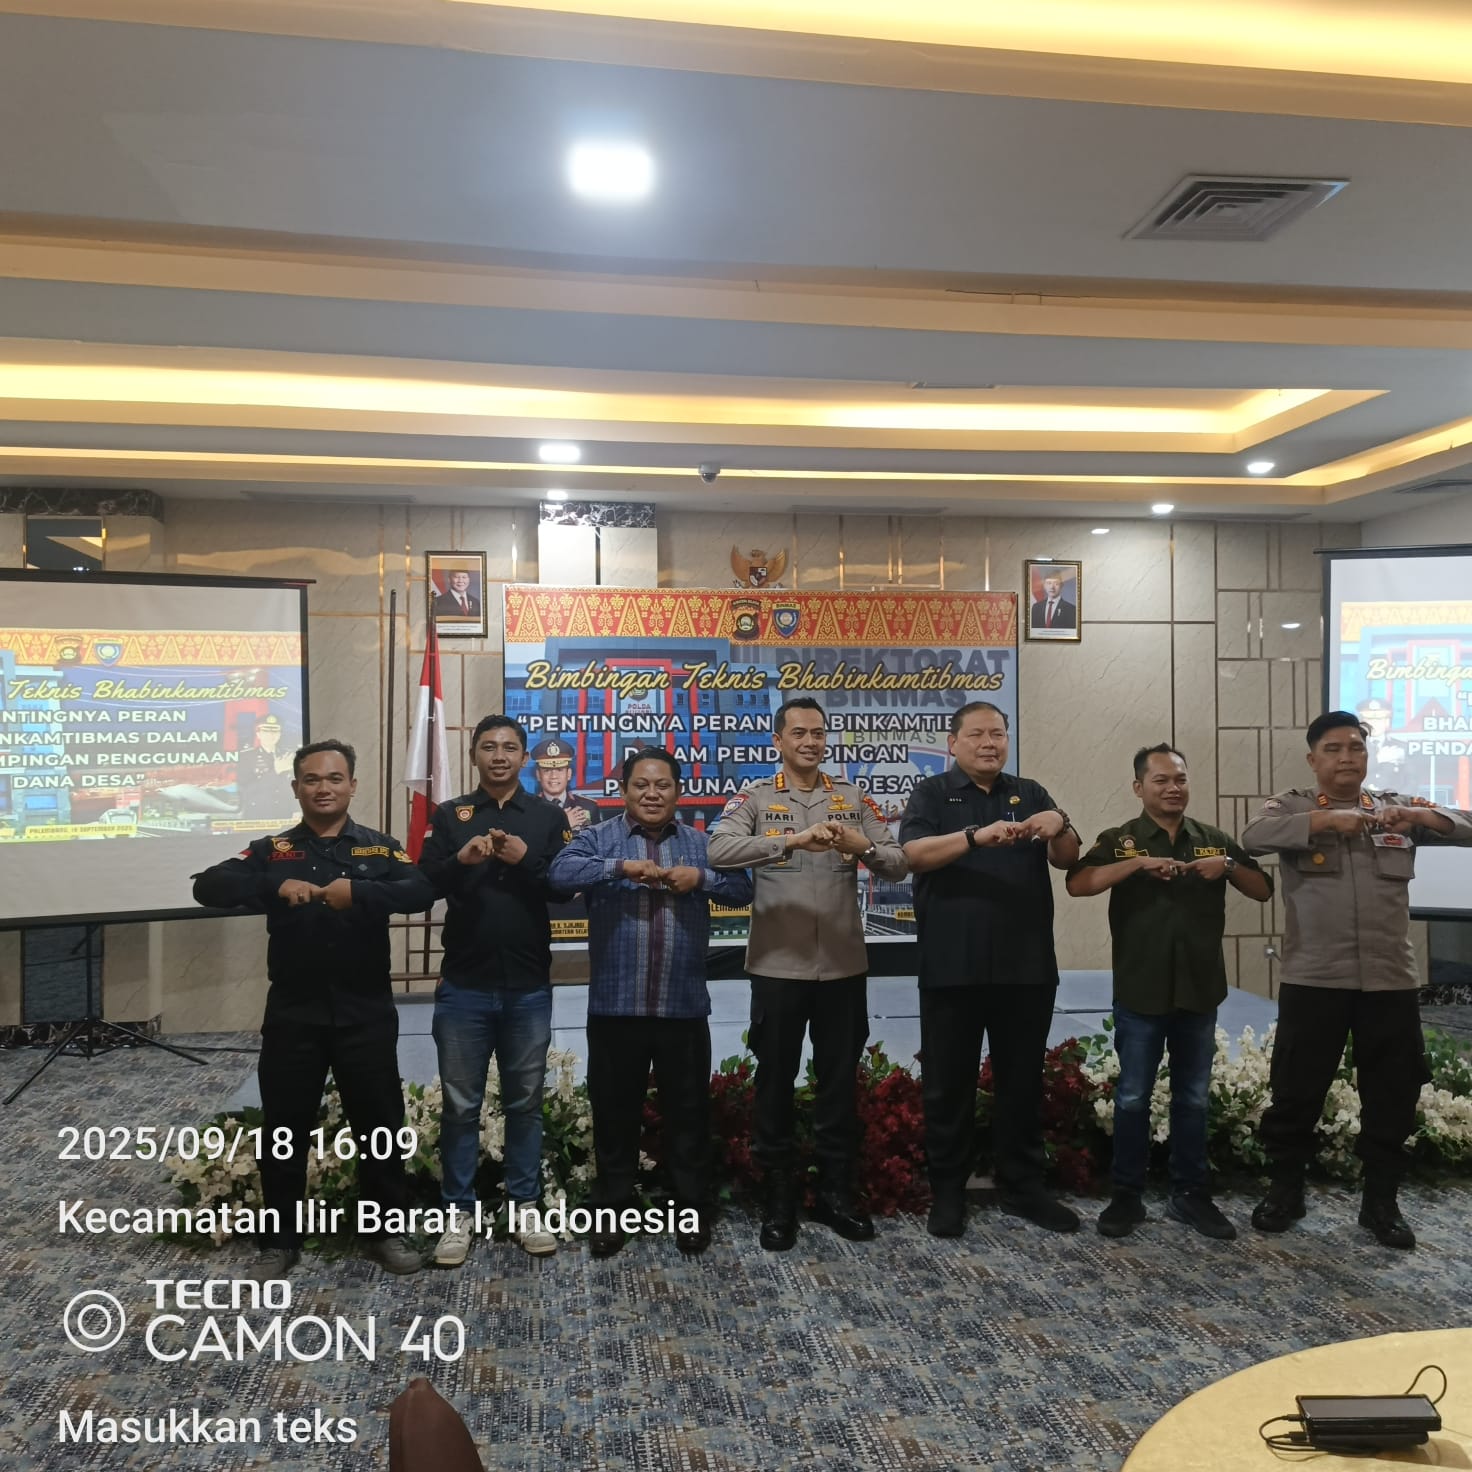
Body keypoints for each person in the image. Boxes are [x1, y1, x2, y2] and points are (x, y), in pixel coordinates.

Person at [192, 738, 434, 1280]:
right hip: (294, 1015)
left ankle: (385, 1232)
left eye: (334, 778)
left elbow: (421, 891)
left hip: (365, 1012)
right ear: (296, 787)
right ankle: (279, 1241)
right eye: (312, 779)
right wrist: (276, 885)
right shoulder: (272, 850)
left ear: (352, 785)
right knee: (284, 1130)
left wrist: (360, 894)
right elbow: (209, 886)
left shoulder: (379, 849)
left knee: (379, 1127)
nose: (323, 788)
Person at [1242, 710, 1472, 1249]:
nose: (1347, 757)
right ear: (1313, 759)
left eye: (1356, 748)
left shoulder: (1393, 807)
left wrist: (1419, 817)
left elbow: (1466, 825)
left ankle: (1381, 1203)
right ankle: (1286, 1190)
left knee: (1393, 1094)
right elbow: (1252, 837)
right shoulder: (1293, 807)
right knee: (1297, 1090)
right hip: (1314, 978)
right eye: (1334, 749)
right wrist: (1325, 823)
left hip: (1390, 980)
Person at [708, 697, 908, 1250]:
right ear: (778, 741)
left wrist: (863, 845)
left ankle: (836, 1193)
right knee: (774, 1082)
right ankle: (779, 1198)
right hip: (778, 967)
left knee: (838, 1085)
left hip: (843, 968)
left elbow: (899, 862)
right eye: (798, 733)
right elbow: (718, 850)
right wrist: (790, 840)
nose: (810, 742)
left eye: (818, 733)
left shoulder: (852, 798)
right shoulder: (756, 797)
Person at [548, 747, 753, 1257]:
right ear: (623, 791)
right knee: (614, 1117)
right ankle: (611, 1213)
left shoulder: (701, 844)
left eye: (662, 785)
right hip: (615, 1007)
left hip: (682, 1006)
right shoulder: (598, 839)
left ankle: (690, 1211)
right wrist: (621, 868)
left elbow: (741, 888)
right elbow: (560, 875)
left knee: (688, 1117)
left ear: (678, 792)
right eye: (641, 784)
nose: (652, 793)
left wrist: (700, 878)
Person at [1067, 744, 1272, 1241]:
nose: (1172, 788)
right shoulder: (1122, 840)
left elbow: (1263, 889)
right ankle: (1127, 1195)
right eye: (1160, 780)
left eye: (1179, 779)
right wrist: (1135, 866)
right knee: (1133, 1097)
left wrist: (1227, 866)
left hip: (1199, 991)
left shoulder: (1211, 840)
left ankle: (1190, 1195)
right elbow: (1079, 883)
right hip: (1141, 990)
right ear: (1139, 788)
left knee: (1194, 1099)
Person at [899, 700, 1080, 1237]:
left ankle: (1023, 1186)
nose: (989, 743)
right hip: (952, 966)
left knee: (1022, 1084)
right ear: (953, 742)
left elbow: (1068, 858)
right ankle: (948, 1192)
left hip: (1026, 968)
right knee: (947, 1085)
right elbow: (912, 856)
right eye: (977, 734)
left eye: (997, 734)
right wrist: (976, 836)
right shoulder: (932, 793)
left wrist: (1060, 823)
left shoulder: (1031, 792)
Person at [417, 715, 571, 1267]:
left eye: (509, 747)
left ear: (525, 757)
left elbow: (565, 886)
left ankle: (525, 1205)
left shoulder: (547, 817)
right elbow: (422, 883)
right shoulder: (451, 815)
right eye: (488, 747)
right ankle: (457, 1213)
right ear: (475, 756)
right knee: (461, 1107)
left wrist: (524, 859)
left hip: (528, 985)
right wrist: (461, 860)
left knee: (525, 1103)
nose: (499, 755)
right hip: (464, 983)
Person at [530, 737, 602, 829]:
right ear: (538, 775)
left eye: (560, 770)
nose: (554, 776)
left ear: (569, 774)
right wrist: (564, 824)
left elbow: (597, 838)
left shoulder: (588, 807)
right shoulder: (528, 809)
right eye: (547, 770)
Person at [236, 713, 291, 819]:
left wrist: (296, 809)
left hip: (285, 815)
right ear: (258, 734)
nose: (271, 735)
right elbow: (247, 790)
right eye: (266, 731)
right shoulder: (246, 757)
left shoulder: (288, 755)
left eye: (275, 731)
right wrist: (275, 771)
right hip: (259, 815)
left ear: (280, 734)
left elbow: (296, 786)